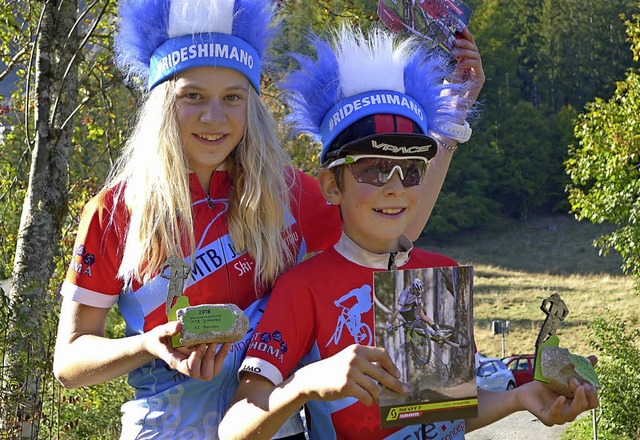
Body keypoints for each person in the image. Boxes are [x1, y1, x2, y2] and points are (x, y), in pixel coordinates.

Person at [52, 0, 471, 438]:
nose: (214, 118)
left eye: (232, 98)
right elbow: (70, 362)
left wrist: (453, 122)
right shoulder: (115, 209)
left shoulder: (287, 193)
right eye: (192, 96)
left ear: (251, 105)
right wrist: (148, 345)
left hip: (273, 427)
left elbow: (393, 225)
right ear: (161, 103)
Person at [218, 26, 597, 440]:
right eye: (372, 168)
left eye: (411, 169)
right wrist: (306, 382)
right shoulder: (303, 287)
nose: (394, 185)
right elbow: (235, 428)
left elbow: (442, 410)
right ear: (331, 186)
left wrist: (521, 398)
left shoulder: (439, 273)